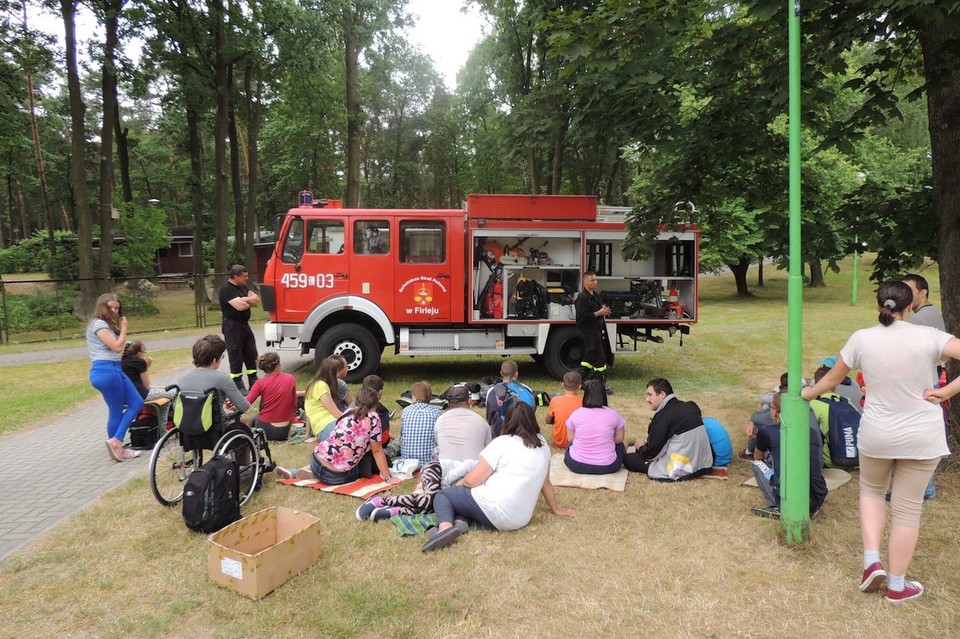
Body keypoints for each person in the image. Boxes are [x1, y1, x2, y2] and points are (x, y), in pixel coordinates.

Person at [803, 281, 957, 603]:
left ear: (879, 306)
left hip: (877, 432)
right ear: (910, 305)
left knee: (872, 491)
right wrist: (945, 392)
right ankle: (897, 585)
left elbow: (831, 379)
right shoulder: (930, 337)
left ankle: (871, 561)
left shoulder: (862, 338)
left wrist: (805, 394)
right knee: (907, 509)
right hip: (921, 434)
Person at [421, 403, 576, 552]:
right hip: (521, 518)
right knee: (463, 501)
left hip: (496, 511)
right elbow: (546, 482)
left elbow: (472, 480)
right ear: (532, 420)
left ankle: (444, 529)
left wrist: (460, 484)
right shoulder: (542, 444)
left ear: (507, 420)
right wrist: (556, 509)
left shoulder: (501, 443)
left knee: (444, 496)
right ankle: (460, 523)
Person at [277, 386, 401, 487]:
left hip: (315, 459)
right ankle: (317, 474)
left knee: (335, 451)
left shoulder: (347, 412)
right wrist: (388, 477)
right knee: (360, 466)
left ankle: (306, 472)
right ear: (375, 405)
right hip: (335, 475)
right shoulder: (374, 418)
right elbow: (377, 450)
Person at [750, 393, 828, 519]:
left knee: (757, 464)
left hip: (788, 498)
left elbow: (758, 457)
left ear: (775, 411)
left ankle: (777, 506)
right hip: (815, 499)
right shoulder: (811, 431)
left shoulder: (767, 431)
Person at [87, 293, 144, 462]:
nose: (113, 310)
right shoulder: (98, 324)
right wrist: (124, 327)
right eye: (110, 307)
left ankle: (116, 443)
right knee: (118, 409)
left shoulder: (107, 325)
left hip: (113, 370)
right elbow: (117, 347)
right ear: (101, 307)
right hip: (106, 371)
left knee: (136, 402)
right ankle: (117, 443)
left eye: (116, 307)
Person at [903, 273, 945, 500]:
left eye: (910, 291)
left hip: (921, 385)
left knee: (916, 438)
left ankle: (924, 488)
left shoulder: (919, 319)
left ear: (923, 292)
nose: (906, 296)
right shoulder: (932, 313)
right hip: (929, 381)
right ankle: (923, 487)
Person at [623, 378, 713, 480]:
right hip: (703, 465)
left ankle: (632, 449)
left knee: (629, 459)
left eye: (649, 395)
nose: (646, 399)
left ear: (662, 394)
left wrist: (640, 447)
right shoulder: (688, 407)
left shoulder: (663, 416)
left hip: (682, 468)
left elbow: (652, 454)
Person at [178, 334, 251, 427]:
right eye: (221, 357)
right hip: (214, 428)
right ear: (214, 360)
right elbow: (246, 409)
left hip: (188, 427)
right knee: (246, 422)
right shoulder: (222, 378)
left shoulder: (183, 378)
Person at [563, 380, 626, 474]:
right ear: (604, 395)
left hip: (576, 464)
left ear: (586, 395)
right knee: (620, 447)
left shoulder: (576, 414)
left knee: (570, 445)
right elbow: (619, 440)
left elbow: (571, 438)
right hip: (608, 466)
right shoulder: (614, 415)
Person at [219, 264, 260, 392]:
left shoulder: (243, 287)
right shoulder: (226, 290)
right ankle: (237, 383)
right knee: (236, 354)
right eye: (244, 276)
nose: (247, 278)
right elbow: (241, 306)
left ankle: (253, 381)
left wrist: (244, 299)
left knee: (251, 352)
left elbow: (256, 300)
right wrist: (248, 300)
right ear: (235, 276)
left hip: (244, 325)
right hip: (232, 325)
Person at [120, 340, 177, 427]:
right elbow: (147, 385)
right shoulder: (140, 362)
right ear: (139, 353)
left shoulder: (123, 362)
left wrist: (162, 387)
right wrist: (146, 367)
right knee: (174, 392)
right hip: (141, 395)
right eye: (144, 352)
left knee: (166, 399)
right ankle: (166, 426)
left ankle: (161, 427)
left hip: (126, 397)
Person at [244, 351, 297, 441]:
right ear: (277, 365)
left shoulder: (260, 383)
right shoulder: (290, 378)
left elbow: (246, 403)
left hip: (265, 429)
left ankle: (247, 437)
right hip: (283, 431)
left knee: (249, 420)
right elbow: (294, 405)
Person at [575, 270, 613, 393]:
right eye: (592, 280)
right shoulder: (582, 298)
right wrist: (598, 313)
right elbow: (581, 318)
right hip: (588, 333)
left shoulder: (596, 296)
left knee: (589, 358)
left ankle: (579, 380)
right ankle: (601, 385)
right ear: (585, 282)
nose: (595, 282)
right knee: (600, 359)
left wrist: (604, 311)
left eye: (596, 280)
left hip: (597, 331)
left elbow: (599, 310)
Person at [434, 385, 491, 461]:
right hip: (474, 469)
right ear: (468, 401)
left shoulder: (439, 421)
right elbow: (490, 449)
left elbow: (438, 442)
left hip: (446, 470)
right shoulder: (481, 421)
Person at [485, 359, 536, 437]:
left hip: (500, 434)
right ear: (516, 374)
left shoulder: (492, 391)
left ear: (501, 373)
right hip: (524, 433)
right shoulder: (526, 389)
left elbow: (489, 419)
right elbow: (532, 411)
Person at [400, 381, 441, 465]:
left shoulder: (406, 411)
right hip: (429, 462)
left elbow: (401, 435)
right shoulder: (436, 412)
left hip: (407, 461)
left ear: (415, 397)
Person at [303, 356, 344, 438]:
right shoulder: (321, 386)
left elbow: (309, 412)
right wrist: (351, 421)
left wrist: (307, 433)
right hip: (326, 425)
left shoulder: (315, 384)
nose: (340, 374)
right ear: (330, 373)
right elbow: (335, 412)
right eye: (338, 372)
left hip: (322, 426)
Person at [546, 371, 583, 448]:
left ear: (562, 385)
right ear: (579, 387)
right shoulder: (583, 403)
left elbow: (548, 421)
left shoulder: (555, 400)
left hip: (558, 442)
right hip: (576, 442)